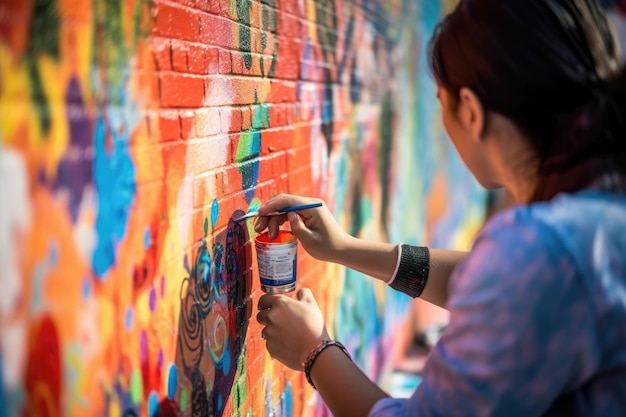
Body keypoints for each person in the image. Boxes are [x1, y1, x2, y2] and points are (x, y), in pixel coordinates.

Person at [254, 0, 626, 415]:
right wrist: (343, 248)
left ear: (470, 110)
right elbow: (487, 279)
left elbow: (511, 277)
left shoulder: (544, 246)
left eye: (440, 100)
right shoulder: (596, 222)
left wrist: (315, 351)